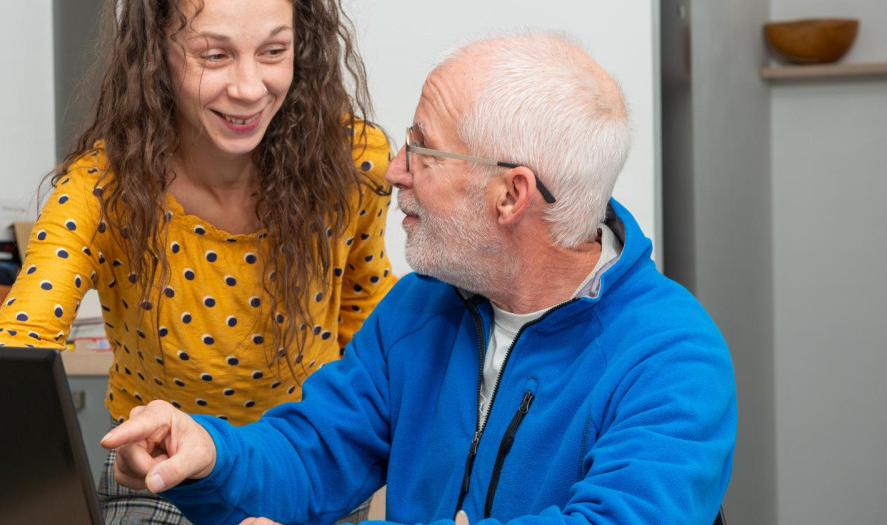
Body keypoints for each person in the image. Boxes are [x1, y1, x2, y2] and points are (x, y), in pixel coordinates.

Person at [100, 34, 738, 524]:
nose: (393, 172)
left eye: (422, 149)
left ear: (509, 195)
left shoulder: (673, 358)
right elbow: (312, 455)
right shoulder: (419, 310)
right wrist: (207, 453)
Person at [0, 0, 396, 522]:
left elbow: (370, 316)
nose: (248, 88)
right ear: (158, 54)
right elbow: (19, 338)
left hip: (304, 463)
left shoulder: (354, 161)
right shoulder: (102, 190)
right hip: (160, 475)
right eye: (214, 55)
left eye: (273, 51)